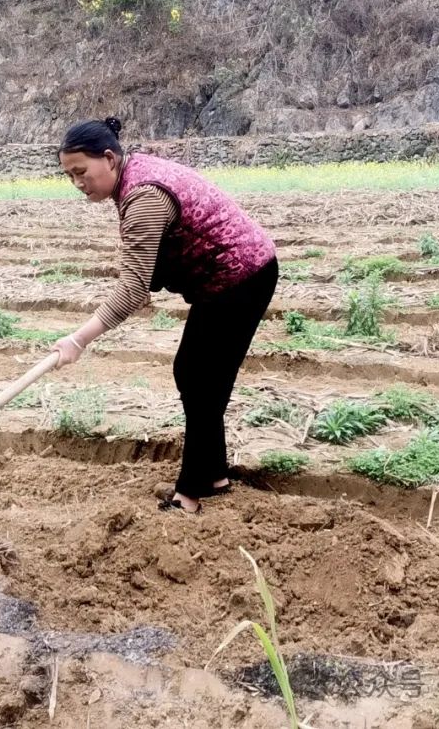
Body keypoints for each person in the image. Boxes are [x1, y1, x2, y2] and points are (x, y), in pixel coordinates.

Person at [51, 117, 279, 513]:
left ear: (109, 158)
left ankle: (189, 495)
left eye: (81, 172)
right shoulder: (136, 176)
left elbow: (134, 290)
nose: (77, 183)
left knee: (201, 380)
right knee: (195, 375)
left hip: (241, 276)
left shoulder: (143, 198)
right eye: (69, 176)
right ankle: (214, 475)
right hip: (233, 275)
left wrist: (78, 340)